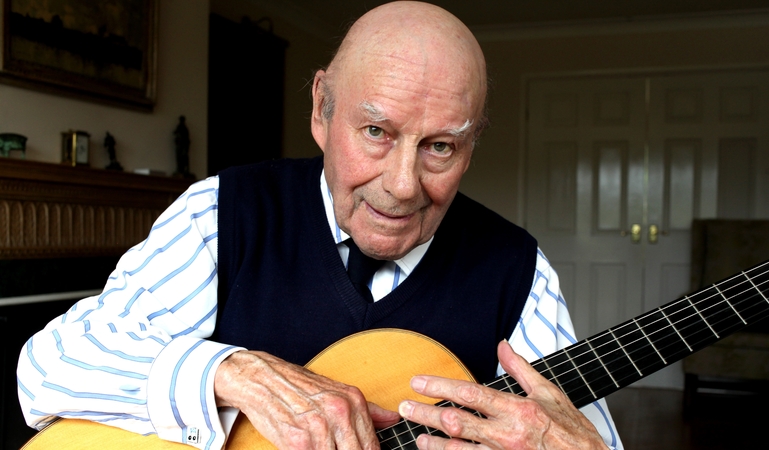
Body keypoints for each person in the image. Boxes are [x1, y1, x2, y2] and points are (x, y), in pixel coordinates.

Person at [17, 2, 621, 449]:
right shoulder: (224, 212)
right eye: (376, 133)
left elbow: (588, 437)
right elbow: (45, 371)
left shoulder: (518, 272)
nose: (403, 184)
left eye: (440, 147)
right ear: (321, 110)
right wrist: (231, 372)